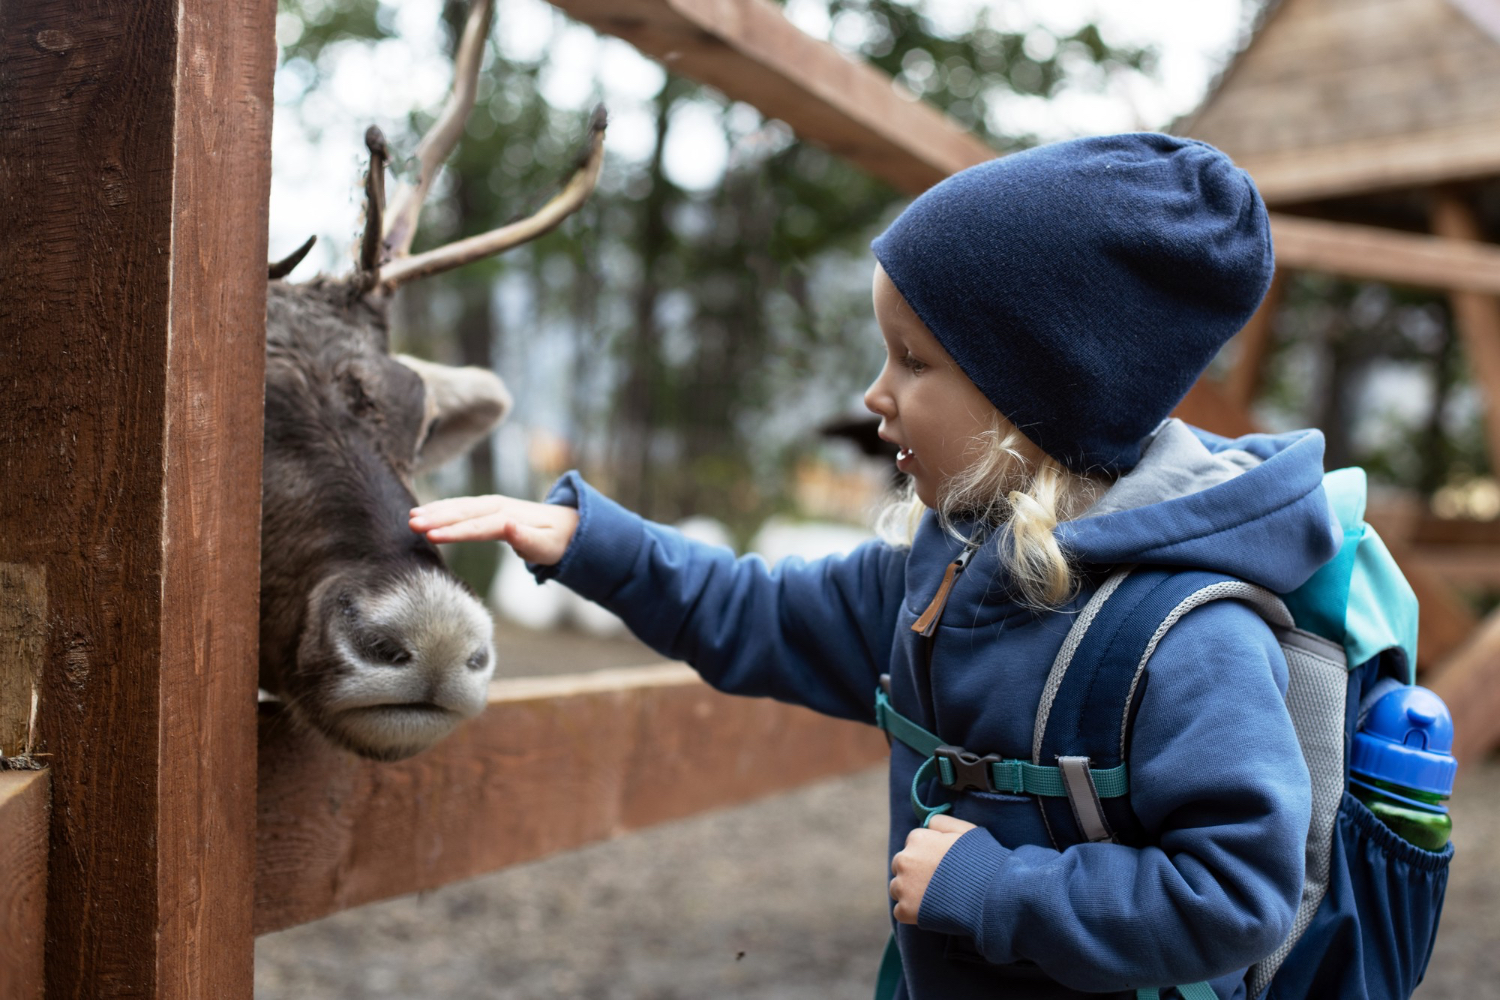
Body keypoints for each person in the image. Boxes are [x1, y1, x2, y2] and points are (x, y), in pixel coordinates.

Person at [408, 133, 1339, 1000]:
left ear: (1035, 396)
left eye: (912, 359)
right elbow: (760, 614)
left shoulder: (1190, 635)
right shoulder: (950, 562)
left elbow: (1238, 895)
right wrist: (589, 542)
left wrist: (997, 889)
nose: (876, 393)